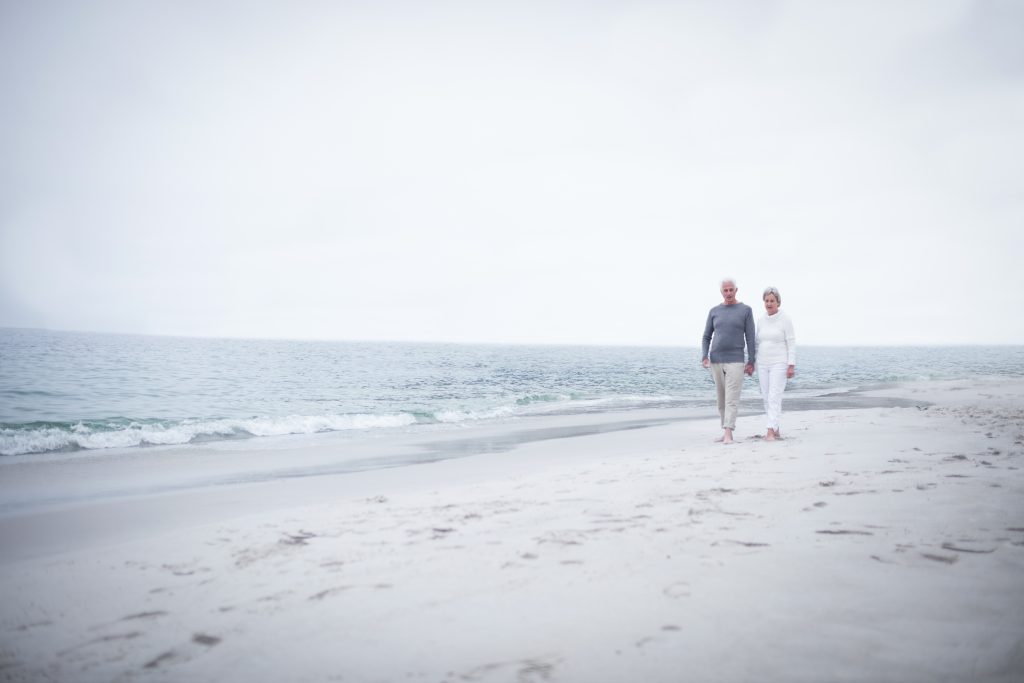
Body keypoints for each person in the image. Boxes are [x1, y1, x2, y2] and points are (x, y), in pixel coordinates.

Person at [701, 278, 755, 444]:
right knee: (721, 399)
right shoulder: (714, 311)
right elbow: (706, 336)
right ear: (721, 292)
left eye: (731, 290)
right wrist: (704, 356)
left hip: (736, 360)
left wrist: (751, 360)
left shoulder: (745, 310)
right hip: (716, 359)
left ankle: (728, 433)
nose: (729, 293)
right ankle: (725, 429)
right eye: (726, 290)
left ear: (736, 290)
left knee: (732, 398)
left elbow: (750, 337)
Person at [756, 286, 796, 441]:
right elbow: (756, 342)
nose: (769, 303)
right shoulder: (760, 320)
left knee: (774, 396)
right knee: (766, 397)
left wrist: (791, 364)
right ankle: (776, 427)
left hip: (779, 363)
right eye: (766, 300)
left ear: (778, 302)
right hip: (762, 363)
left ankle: (770, 430)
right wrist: (751, 360)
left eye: (772, 300)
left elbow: (791, 342)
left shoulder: (785, 319)